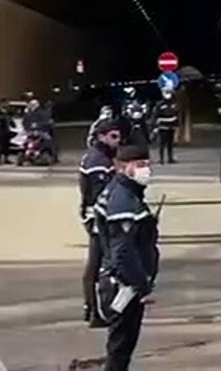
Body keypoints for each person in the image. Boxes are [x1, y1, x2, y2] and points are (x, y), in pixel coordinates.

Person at [94, 144, 161, 371]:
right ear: (123, 168)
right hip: (123, 285)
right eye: (140, 165)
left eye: (148, 165)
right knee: (120, 348)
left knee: (121, 348)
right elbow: (123, 251)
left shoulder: (123, 191)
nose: (146, 170)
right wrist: (142, 287)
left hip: (123, 281)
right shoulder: (123, 199)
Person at [80, 124, 121, 327]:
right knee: (100, 265)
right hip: (99, 218)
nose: (117, 140)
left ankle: (92, 309)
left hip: (95, 216)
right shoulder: (98, 162)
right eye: (113, 136)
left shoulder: (98, 157)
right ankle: (96, 311)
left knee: (96, 264)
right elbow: (99, 194)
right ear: (101, 136)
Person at [150, 89, 180, 164]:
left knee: (170, 143)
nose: (168, 95)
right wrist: (154, 126)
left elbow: (176, 115)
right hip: (162, 126)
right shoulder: (160, 104)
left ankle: (170, 158)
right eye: (166, 93)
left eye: (169, 93)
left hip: (171, 126)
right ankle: (161, 159)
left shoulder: (174, 104)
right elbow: (155, 116)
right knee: (162, 144)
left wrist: (177, 125)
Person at [0, 98, 16, 165]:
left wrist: (13, 125)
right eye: (5, 103)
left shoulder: (7, 112)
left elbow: (10, 120)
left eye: (7, 104)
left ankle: (6, 159)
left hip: (6, 131)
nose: (7, 105)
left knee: (6, 146)